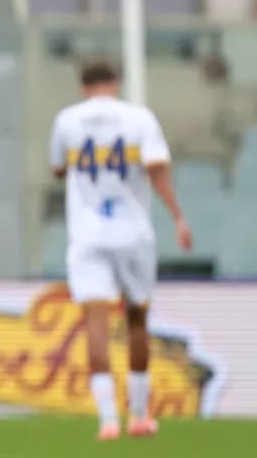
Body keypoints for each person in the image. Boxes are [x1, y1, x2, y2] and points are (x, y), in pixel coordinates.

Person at [49, 62, 192, 440]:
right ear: (114, 83)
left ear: (84, 86)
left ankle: (108, 420)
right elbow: (157, 168)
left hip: (87, 235)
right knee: (137, 320)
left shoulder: (66, 120)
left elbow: (58, 169)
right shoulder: (139, 119)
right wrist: (178, 217)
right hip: (132, 234)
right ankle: (140, 416)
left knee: (95, 321)